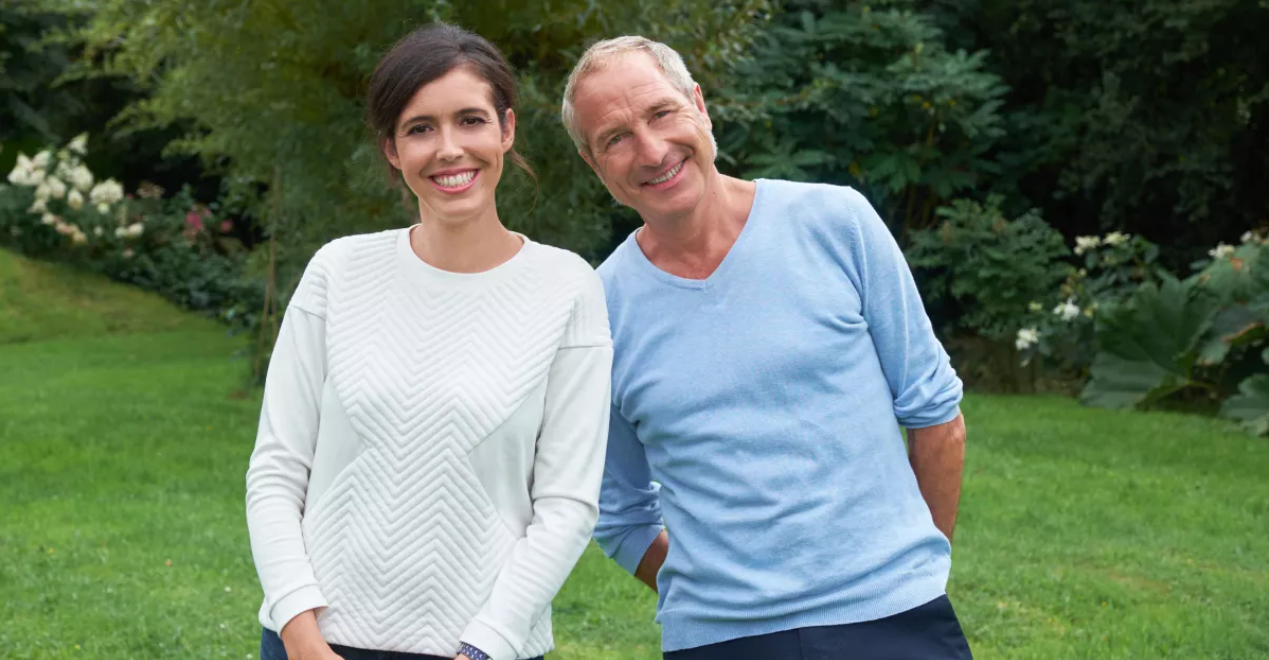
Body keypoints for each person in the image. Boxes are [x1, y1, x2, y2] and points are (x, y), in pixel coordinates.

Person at [560, 36, 973, 659]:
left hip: (895, 616)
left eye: (661, 113)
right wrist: (721, 598)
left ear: (699, 106)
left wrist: (913, 574)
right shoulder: (597, 310)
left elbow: (935, 413)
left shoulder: (837, 223)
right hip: (720, 640)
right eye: (616, 138)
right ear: (595, 164)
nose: (651, 150)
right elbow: (619, 512)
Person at [246, 23, 612, 660]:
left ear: (506, 128)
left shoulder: (567, 288)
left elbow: (566, 506)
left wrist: (483, 648)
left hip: (483, 650)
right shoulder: (338, 271)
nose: (449, 149)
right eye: (420, 128)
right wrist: (300, 635)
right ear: (392, 149)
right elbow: (276, 471)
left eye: (470, 120)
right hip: (312, 642)